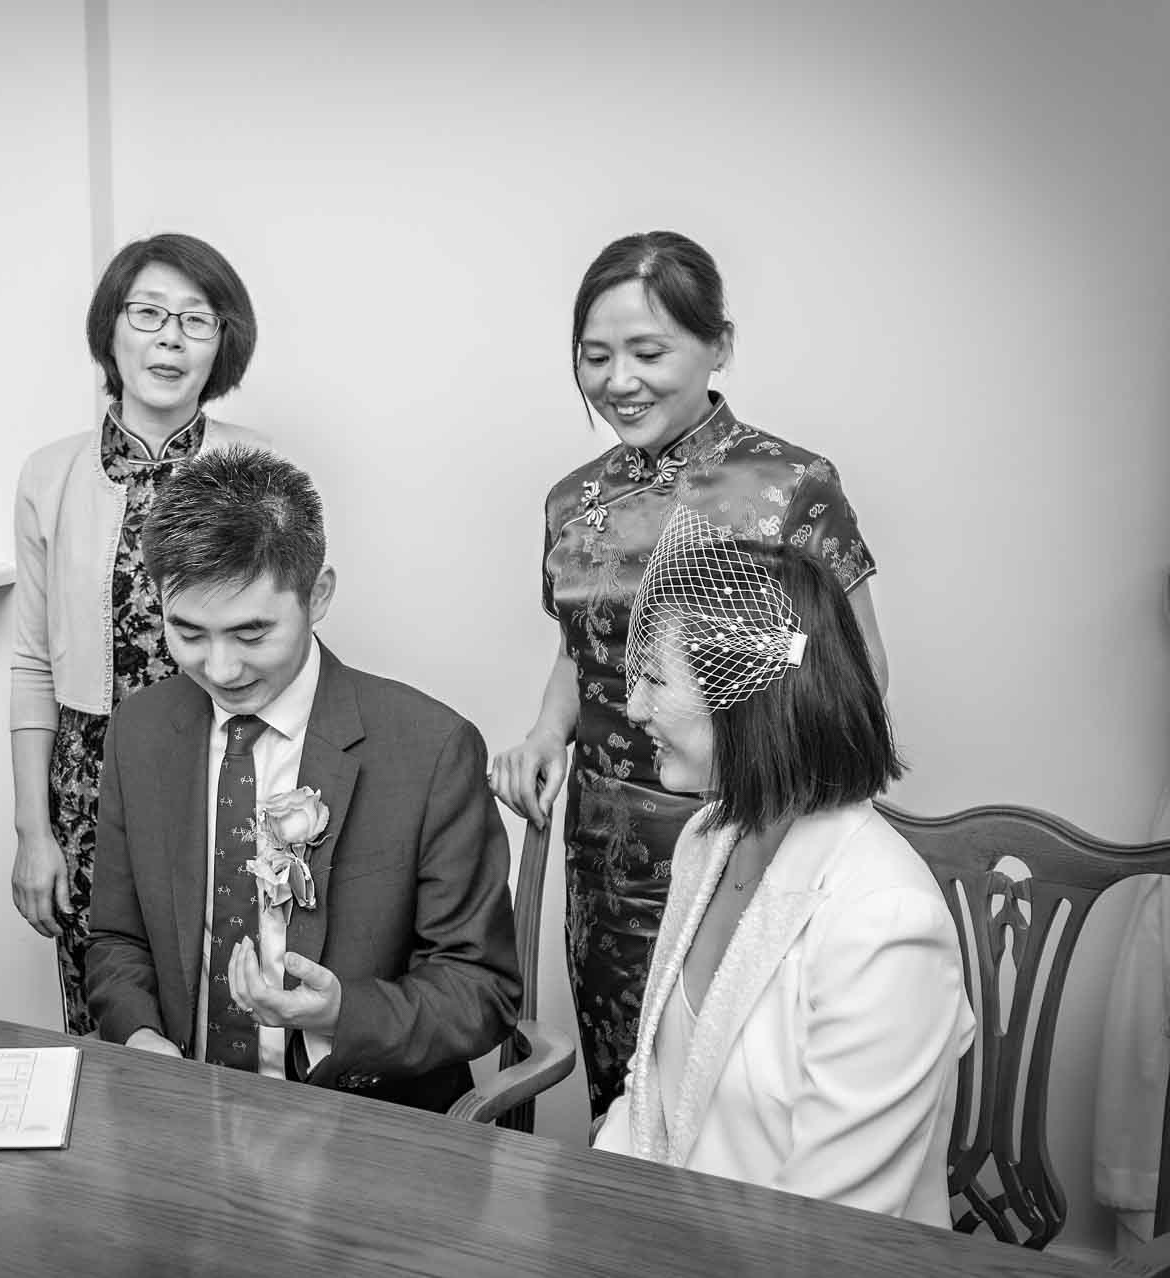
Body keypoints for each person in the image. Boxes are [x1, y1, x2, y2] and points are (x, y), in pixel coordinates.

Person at [489, 230, 889, 1117]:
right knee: (625, 1090)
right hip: (603, 842)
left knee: (738, 1094)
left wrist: (765, 806)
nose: (617, 380)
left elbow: (857, 677)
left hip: (747, 829)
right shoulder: (572, 497)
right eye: (595, 356)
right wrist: (546, 734)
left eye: (648, 351)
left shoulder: (791, 484)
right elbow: (581, 643)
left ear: (719, 346)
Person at [84, 446, 520, 1112]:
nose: (221, 668)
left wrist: (341, 1014)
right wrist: (144, 1040)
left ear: (318, 596)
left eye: (251, 633)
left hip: (365, 1124)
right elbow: (117, 940)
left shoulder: (430, 750)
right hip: (183, 1111)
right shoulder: (140, 732)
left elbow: (479, 991)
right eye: (189, 633)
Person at [591, 507, 971, 1226]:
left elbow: (833, 1228)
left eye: (656, 681)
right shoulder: (710, 838)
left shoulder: (884, 920)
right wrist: (598, 1214)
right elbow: (652, 1091)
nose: (632, 707)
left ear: (750, 694)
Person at [11, 232, 265, 1035]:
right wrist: (32, 831)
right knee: (109, 1014)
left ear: (222, 343)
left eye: (196, 320)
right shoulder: (48, 474)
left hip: (225, 758)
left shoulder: (257, 468)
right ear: (110, 330)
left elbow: (280, 646)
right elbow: (29, 663)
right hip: (89, 775)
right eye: (148, 313)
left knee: (224, 996)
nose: (169, 338)